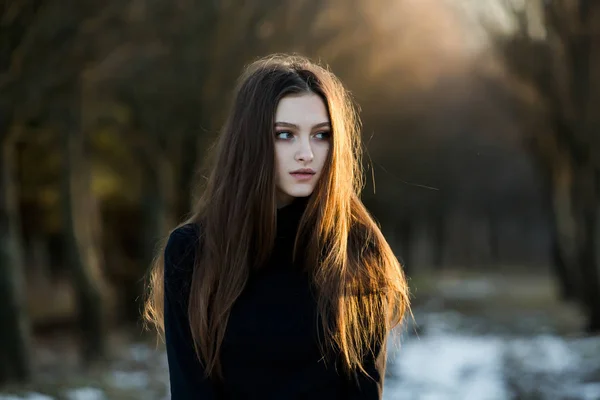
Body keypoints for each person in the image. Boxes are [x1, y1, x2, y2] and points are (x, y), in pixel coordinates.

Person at [143, 54, 410, 399]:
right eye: (285, 135)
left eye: (321, 135)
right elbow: (190, 391)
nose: (306, 153)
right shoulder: (193, 253)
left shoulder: (356, 248)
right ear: (251, 141)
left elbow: (364, 392)